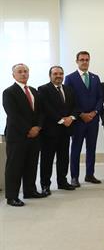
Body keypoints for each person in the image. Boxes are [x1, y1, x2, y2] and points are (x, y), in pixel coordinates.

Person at [3, 63, 46, 207]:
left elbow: (41, 112)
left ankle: (30, 190)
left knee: (31, 164)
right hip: (17, 136)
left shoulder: (33, 91)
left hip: (35, 135)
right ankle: (12, 196)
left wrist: (38, 127)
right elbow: (13, 115)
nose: (23, 74)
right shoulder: (9, 92)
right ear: (13, 75)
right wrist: (29, 129)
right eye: (20, 72)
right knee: (14, 166)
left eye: (25, 71)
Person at [65, 51, 104, 187]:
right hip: (78, 121)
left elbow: (100, 98)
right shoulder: (70, 78)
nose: (84, 62)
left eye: (87, 59)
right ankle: (74, 177)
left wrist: (94, 113)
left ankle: (89, 174)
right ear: (77, 61)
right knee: (76, 149)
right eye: (82, 59)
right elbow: (69, 100)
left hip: (93, 120)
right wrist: (81, 114)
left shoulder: (95, 78)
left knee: (91, 148)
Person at [38, 66, 77, 196]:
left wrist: (71, 118)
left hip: (66, 130)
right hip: (50, 131)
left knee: (63, 158)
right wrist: (61, 119)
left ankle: (62, 182)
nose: (58, 76)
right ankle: (45, 185)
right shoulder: (43, 89)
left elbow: (74, 106)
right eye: (55, 74)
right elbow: (46, 108)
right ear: (50, 75)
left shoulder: (69, 89)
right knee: (47, 160)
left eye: (61, 73)